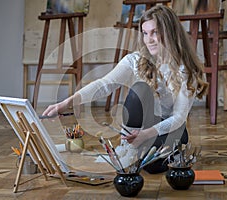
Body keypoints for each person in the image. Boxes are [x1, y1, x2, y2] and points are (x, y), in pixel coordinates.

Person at [42, 5, 208, 174]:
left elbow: (179, 118)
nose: (149, 39)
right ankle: (130, 148)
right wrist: (67, 102)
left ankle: (148, 149)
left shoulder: (186, 69)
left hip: (171, 129)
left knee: (151, 167)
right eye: (145, 33)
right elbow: (104, 84)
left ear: (170, 32)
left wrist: (145, 135)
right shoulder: (135, 60)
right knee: (140, 89)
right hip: (142, 126)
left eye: (155, 32)